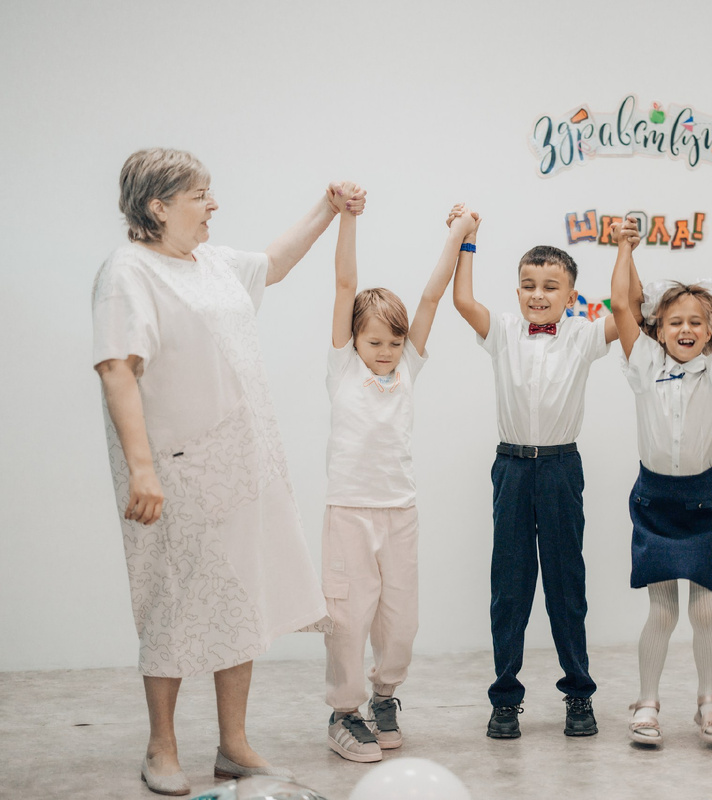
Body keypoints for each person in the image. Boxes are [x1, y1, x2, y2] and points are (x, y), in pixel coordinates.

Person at [92, 148, 356, 795]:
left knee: (238, 601)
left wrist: (327, 208)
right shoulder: (129, 272)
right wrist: (142, 471)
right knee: (171, 603)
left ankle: (234, 745)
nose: (214, 205)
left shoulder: (209, 261)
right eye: (200, 195)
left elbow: (275, 263)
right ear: (159, 206)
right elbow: (117, 369)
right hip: (174, 472)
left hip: (240, 467)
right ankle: (161, 747)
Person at [450, 209, 622, 739]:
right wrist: (467, 241)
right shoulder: (504, 330)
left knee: (567, 584)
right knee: (510, 585)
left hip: (560, 468)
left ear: (571, 295)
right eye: (528, 285)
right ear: (518, 290)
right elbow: (463, 302)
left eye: (550, 287)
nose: (538, 294)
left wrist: (624, 250)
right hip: (511, 468)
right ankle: (505, 698)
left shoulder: (584, 336)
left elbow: (629, 309)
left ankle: (578, 693)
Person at [321, 195, 477, 762]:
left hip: (399, 513)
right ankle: (344, 712)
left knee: (400, 621)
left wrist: (460, 233)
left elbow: (432, 295)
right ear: (355, 340)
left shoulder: (408, 365)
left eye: (393, 342)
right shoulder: (344, 367)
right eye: (375, 343)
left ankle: (384, 697)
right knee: (347, 619)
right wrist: (348, 217)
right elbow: (345, 283)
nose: (386, 352)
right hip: (349, 512)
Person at [611, 217, 712, 747]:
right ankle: (647, 701)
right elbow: (621, 305)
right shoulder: (644, 364)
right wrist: (625, 248)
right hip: (654, 499)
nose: (686, 329)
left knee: (704, 608)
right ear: (659, 329)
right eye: (675, 321)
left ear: (709, 329)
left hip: (700, 502)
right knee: (662, 610)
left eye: (696, 321)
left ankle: (708, 699)